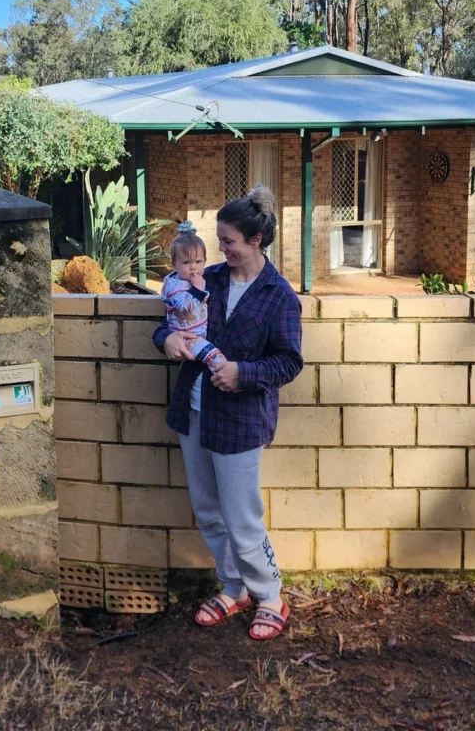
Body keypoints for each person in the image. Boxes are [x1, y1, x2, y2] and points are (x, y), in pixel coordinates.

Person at [153, 186, 303, 641]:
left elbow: (289, 362)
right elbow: (171, 321)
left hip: (242, 420)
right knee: (208, 510)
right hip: (194, 412)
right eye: (220, 240)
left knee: (241, 516)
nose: (221, 248)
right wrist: (166, 340)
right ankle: (233, 586)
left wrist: (243, 373)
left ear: (256, 241)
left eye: (229, 241)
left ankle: (270, 595)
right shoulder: (208, 280)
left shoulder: (279, 296)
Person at [160, 221, 227, 376]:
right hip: (186, 338)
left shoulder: (193, 280)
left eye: (198, 262)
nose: (193, 267)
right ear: (174, 265)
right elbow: (184, 307)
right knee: (215, 357)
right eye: (186, 262)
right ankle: (226, 378)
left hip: (198, 334)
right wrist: (197, 289)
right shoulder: (174, 286)